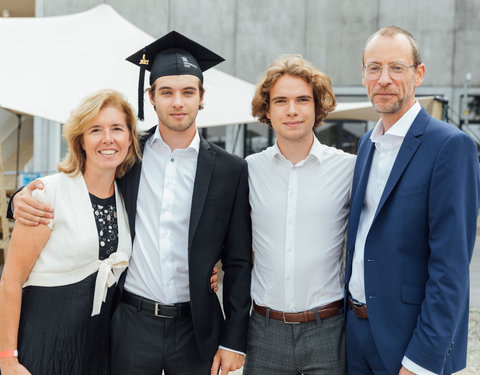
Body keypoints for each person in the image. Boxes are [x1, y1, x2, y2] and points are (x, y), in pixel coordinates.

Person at [9, 31, 252, 375]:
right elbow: (76, 181)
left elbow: (239, 262)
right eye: (166, 92)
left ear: (201, 97)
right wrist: (19, 200)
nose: (178, 102)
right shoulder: (126, 154)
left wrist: (233, 340)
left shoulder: (231, 170)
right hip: (129, 324)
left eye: (188, 92)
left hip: (196, 328)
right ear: (151, 97)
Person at [345, 26, 480, 375]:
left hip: (408, 342)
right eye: (374, 67)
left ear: (419, 74)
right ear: (363, 75)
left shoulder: (450, 147)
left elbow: (451, 268)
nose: (383, 79)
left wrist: (421, 360)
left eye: (396, 67)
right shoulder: (365, 145)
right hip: (355, 336)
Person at [0, 89, 141, 375]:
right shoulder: (47, 194)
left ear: (129, 138)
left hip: (96, 349)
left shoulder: (127, 197)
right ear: (81, 140)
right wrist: (7, 358)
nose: (108, 139)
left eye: (117, 128)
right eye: (96, 130)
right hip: (42, 346)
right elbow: (11, 280)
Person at [244, 54, 355, 374]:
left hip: (328, 330)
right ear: (267, 109)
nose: (292, 110)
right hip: (264, 331)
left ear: (317, 106)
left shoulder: (348, 169)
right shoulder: (249, 170)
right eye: (281, 101)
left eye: (302, 100)